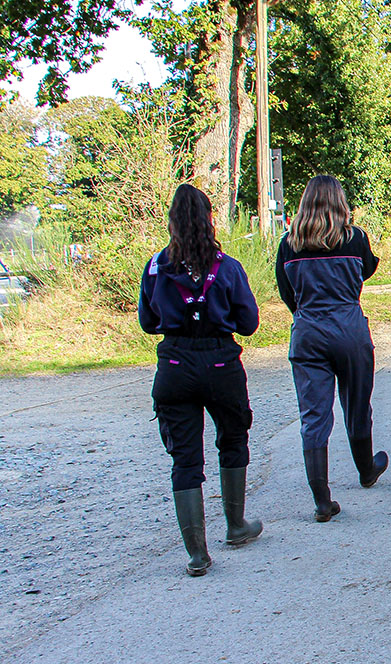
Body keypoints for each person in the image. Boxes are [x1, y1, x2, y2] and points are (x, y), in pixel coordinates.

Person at [138, 184, 262, 577]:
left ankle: (197, 554)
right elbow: (249, 323)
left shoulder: (157, 267)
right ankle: (236, 526)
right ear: (210, 219)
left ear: (172, 221)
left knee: (185, 458)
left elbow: (147, 322)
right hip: (221, 363)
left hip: (175, 365)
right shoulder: (227, 267)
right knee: (232, 438)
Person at [276, 175, 387, 523]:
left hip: (308, 331)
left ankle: (322, 499)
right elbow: (366, 271)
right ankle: (366, 469)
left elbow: (285, 292)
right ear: (340, 203)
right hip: (349, 329)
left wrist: (308, 313)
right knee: (357, 404)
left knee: (314, 416)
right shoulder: (355, 238)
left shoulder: (288, 244)